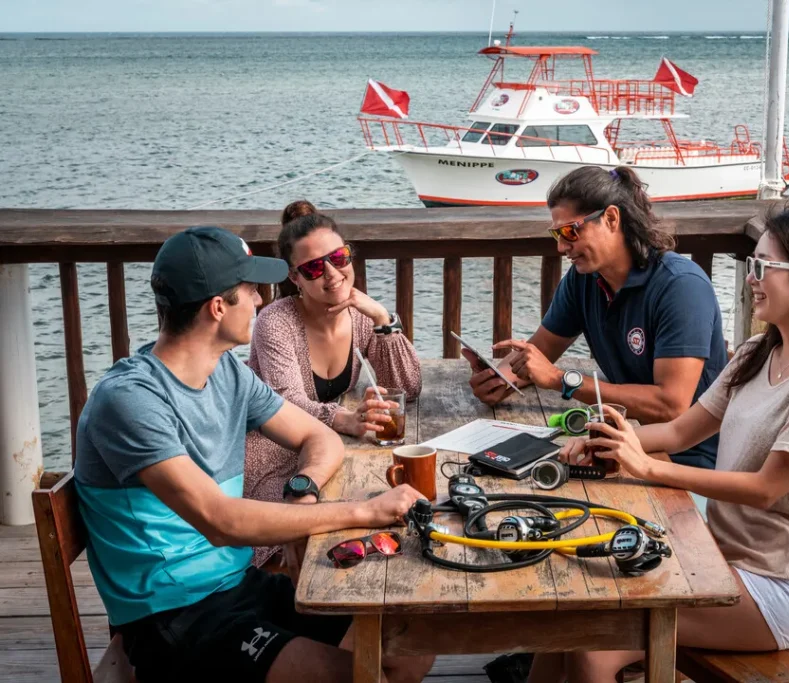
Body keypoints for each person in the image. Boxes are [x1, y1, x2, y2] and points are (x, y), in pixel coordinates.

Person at [74, 226, 433, 683]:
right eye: (250, 291)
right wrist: (362, 510)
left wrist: (302, 489)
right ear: (218, 307)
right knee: (359, 676)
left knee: (412, 642)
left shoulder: (224, 370)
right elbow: (221, 522)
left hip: (241, 584)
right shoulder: (130, 401)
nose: (262, 301)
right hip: (177, 613)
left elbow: (317, 437)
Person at [529, 205, 789, 683]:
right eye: (751, 265)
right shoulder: (757, 353)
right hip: (718, 557)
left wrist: (648, 469)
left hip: (782, 585)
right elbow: (677, 432)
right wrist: (605, 442)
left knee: (594, 639)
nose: (752, 279)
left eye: (763, 267)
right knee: (568, 615)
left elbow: (765, 488)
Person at [466, 165, 728, 468]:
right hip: (628, 441)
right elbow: (538, 354)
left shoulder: (680, 286)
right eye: (557, 233)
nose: (562, 247)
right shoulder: (584, 280)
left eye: (570, 231)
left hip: (691, 460)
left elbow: (670, 405)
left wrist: (560, 380)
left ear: (611, 218)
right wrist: (499, 379)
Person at [245, 203, 422, 570]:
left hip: (328, 449)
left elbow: (408, 385)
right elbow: (285, 400)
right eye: (313, 268)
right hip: (272, 451)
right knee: (302, 547)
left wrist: (383, 319)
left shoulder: (359, 314)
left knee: (379, 528)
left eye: (338, 258)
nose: (331, 274)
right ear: (295, 278)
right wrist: (345, 419)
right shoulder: (274, 321)